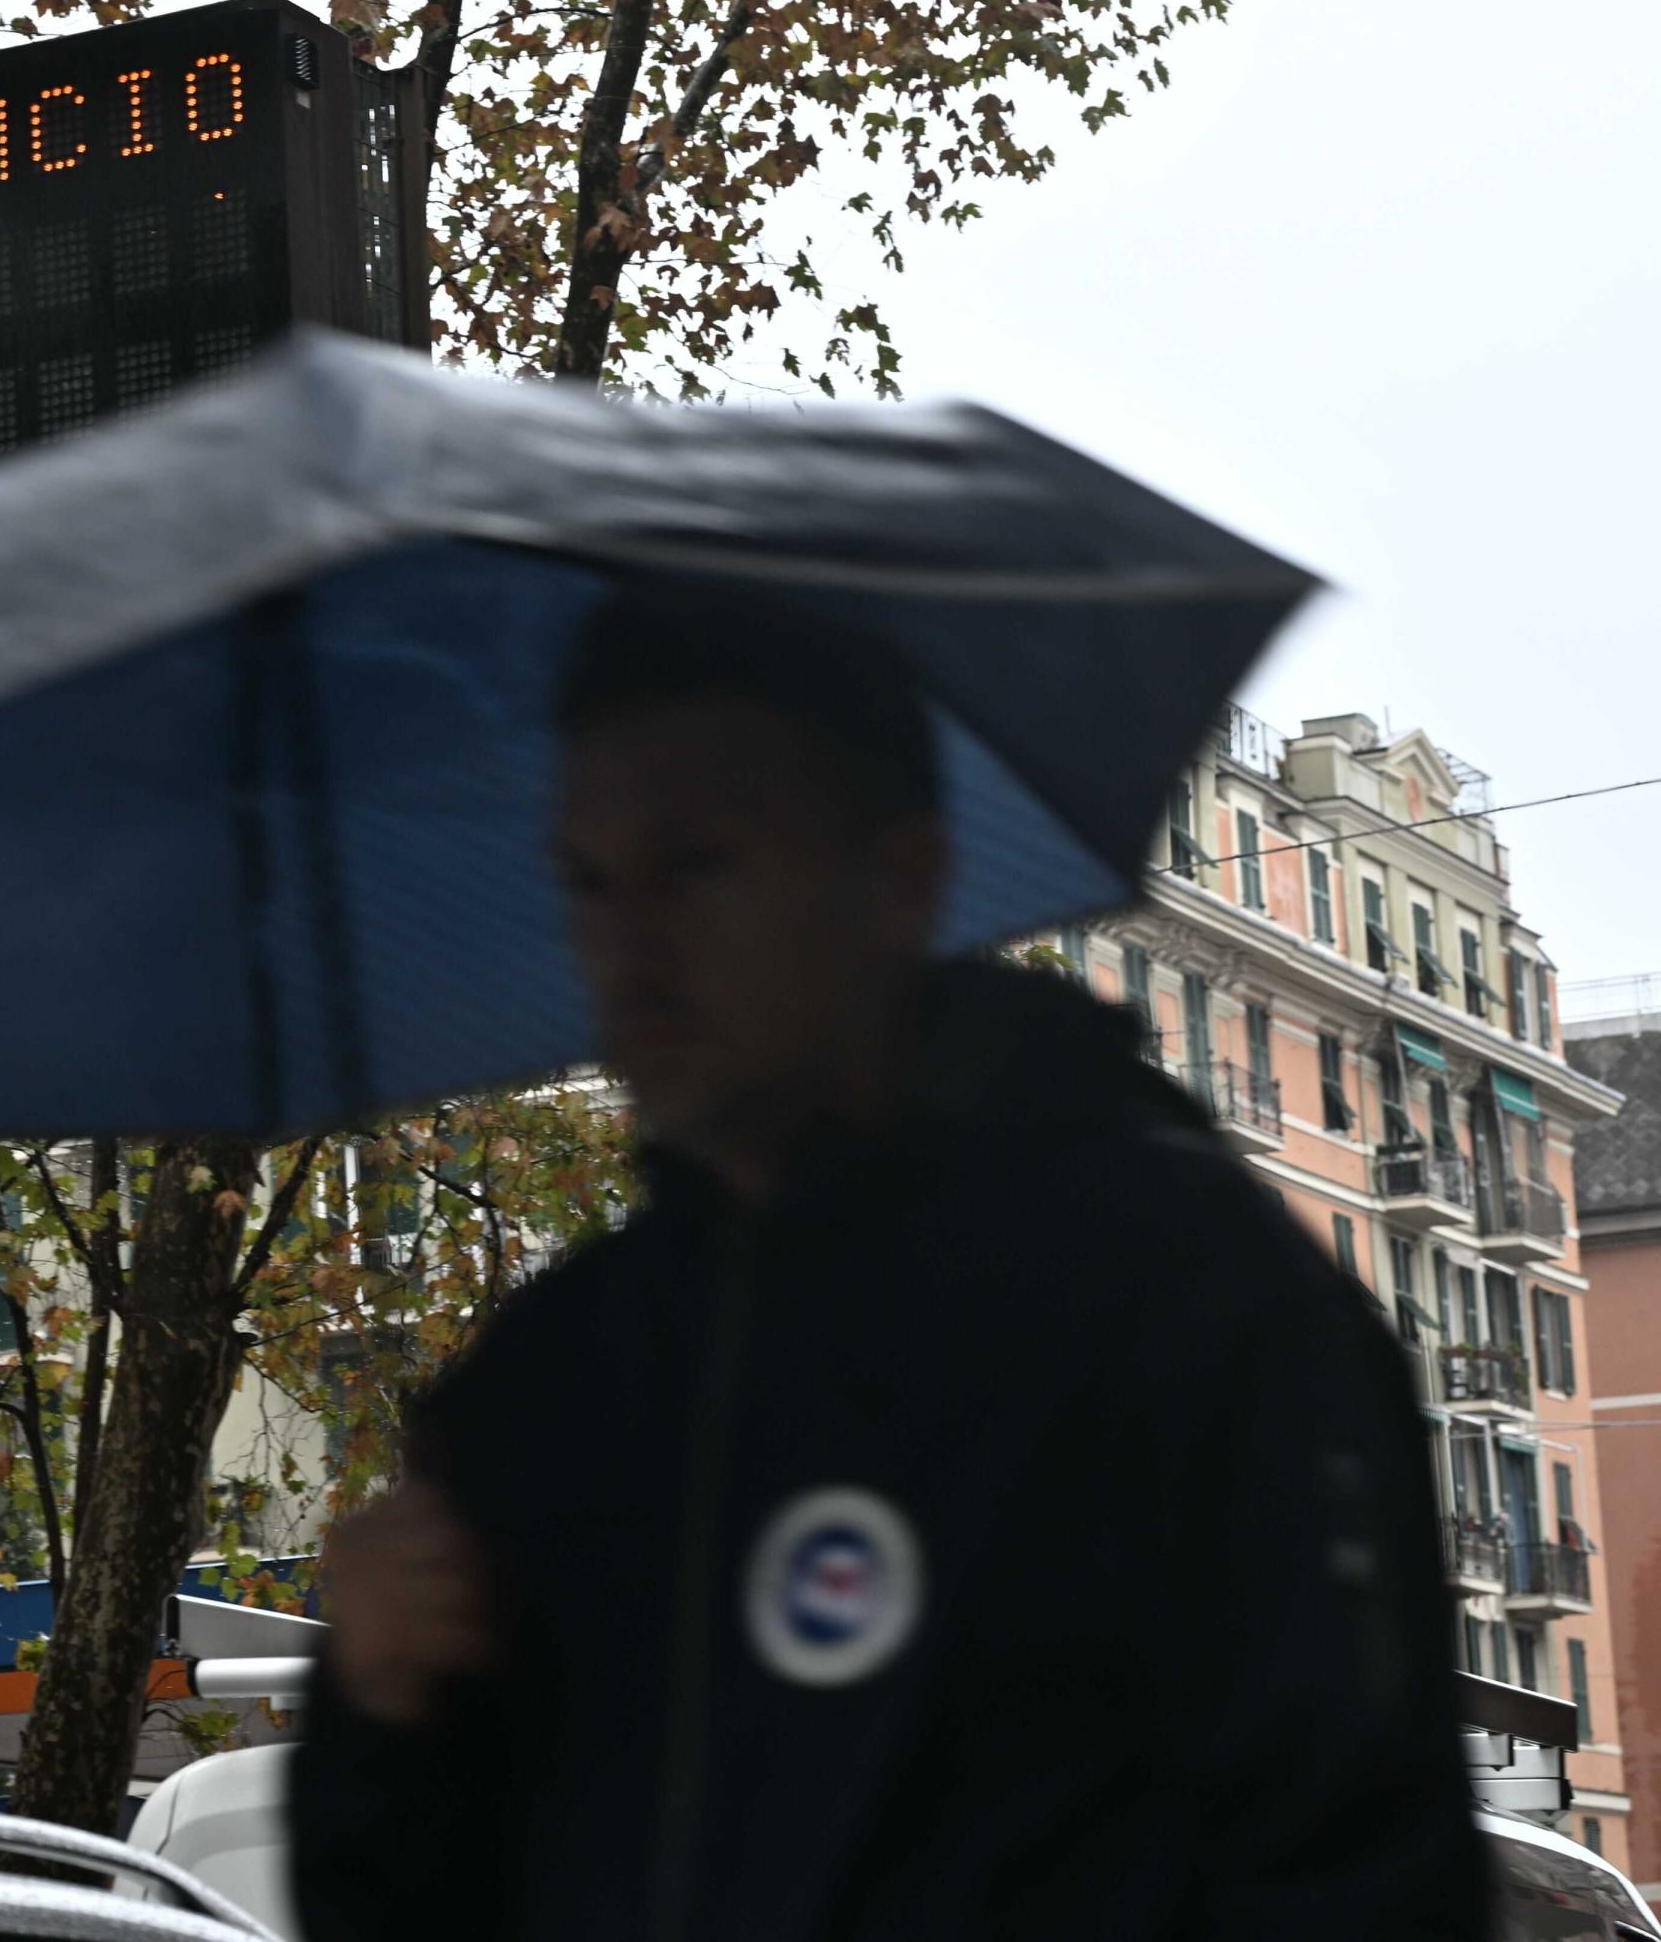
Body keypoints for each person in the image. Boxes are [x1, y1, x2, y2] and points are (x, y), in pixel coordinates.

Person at [289, 595, 1487, 1942]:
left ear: (901, 877)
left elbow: (1357, 1872)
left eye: (695, 865)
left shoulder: (1190, 1309)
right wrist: (377, 1717)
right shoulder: (551, 1380)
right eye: (587, 880)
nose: (627, 950)